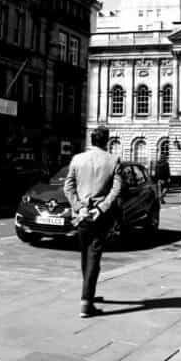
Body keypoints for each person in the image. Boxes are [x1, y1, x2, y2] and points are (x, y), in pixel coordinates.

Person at [64, 125, 122, 318]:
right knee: (94, 257)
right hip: (99, 216)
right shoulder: (113, 160)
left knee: (85, 254)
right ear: (106, 141)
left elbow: (68, 187)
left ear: (91, 140)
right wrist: (101, 208)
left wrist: (79, 206)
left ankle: (87, 294)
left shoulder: (77, 159)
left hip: (81, 215)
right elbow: (116, 190)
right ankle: (86, 302)